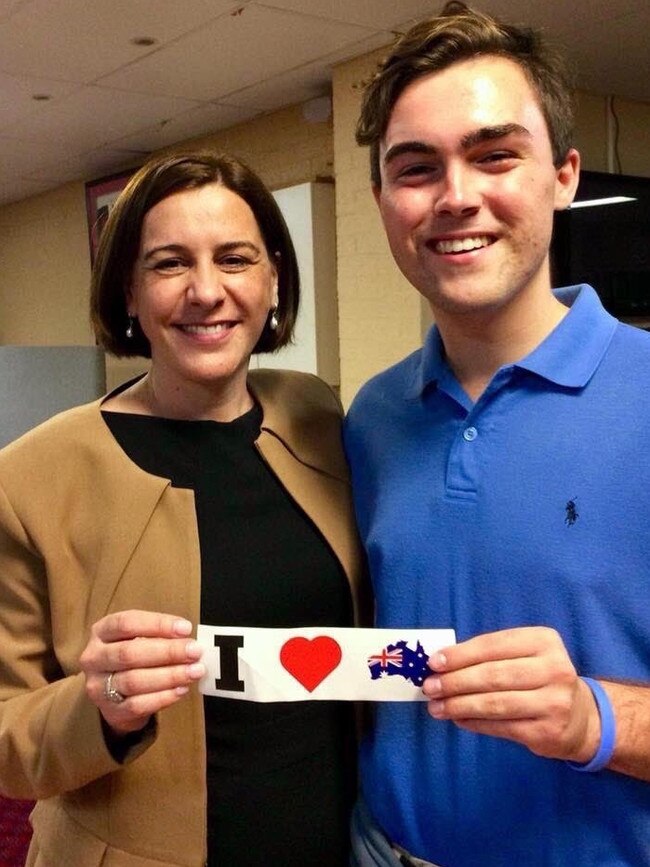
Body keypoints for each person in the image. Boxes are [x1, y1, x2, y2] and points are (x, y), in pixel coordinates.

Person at [0, 150, 369, 866]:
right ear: (129, 293)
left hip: (338, 845)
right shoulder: (30, 478)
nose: (207, 291)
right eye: (169, 264)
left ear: (273, 281)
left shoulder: (316, 413)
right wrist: (97, 706)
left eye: (234, 259)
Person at [344, 3, 650, 865]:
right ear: (382, 202)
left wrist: (597, 716)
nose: (456, 196)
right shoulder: (369, 419)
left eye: (494, 155)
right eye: (416, 168)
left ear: (564, 175)